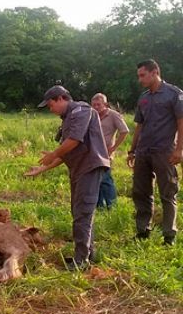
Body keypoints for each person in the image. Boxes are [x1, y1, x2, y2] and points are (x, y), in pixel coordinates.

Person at [25, 85, 110, 271]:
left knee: (82, 212)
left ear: (61, 98)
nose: (51, 110)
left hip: (90, 166)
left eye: (51, 105)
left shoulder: (81, 110)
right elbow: (65, 153)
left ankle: (81, 261)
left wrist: (53, 154)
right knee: (80, 212)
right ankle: (88, 254)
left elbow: (74, 141)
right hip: (79, 169)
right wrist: (42, 168)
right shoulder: (67, 119)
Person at [127, 59, 183, 245]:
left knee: (168, 193)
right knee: (140, 192)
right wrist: (132, 150)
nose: (140, 79)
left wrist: (179, 149)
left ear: (155, 72)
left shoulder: (173, 94)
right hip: (143, 152)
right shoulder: (143, 97)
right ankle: (143, 230)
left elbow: (181, 123)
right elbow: (139, 125)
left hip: (164, 151)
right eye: (138, 76)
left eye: (143, 75)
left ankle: (169, 235)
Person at [90, 93, 129, 209]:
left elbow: (124, 131)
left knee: (106, 180)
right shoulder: (91, 115)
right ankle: (100, 207)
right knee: (96, 181)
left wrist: (113, 148)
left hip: (106, 153)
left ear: (105, 104)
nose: (96, 107)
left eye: (98, 104)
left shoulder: (113, 115)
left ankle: (112, 206)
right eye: (94, 105)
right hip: (93, 152)